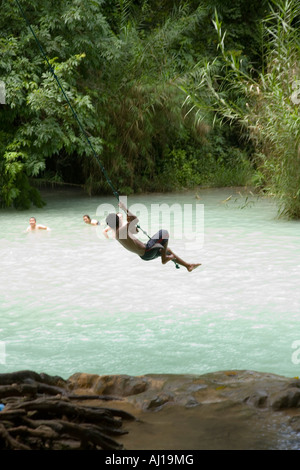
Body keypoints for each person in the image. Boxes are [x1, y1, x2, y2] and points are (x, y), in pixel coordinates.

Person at [105, 201, 201, 272]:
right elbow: (136, 219)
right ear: (118, 221)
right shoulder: (120, 231)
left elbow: (136, 231)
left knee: (168, 251)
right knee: (164, 233)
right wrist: (125, 208)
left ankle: (188, 266)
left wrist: (130, 222)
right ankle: (164, 259)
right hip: (147, 250)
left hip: (145, 256)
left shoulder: (119, 233)